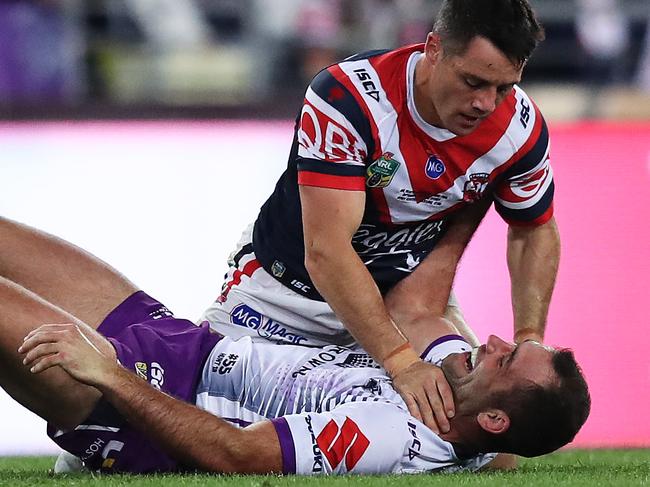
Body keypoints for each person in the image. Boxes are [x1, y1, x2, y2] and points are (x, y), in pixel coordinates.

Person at [201, 0, 559, 432]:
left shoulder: (519, 130)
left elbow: (533, 228)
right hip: (282, 298)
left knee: (487, 440)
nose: (486, 103)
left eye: (503, 87)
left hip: (405, 307)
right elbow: (327, 251)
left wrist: (528, 341)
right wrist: (399, 362)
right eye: (473, 81)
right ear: (433, 48)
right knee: (198, 427)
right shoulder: (349, 98)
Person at [1, 217, 589, 474]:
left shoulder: (389, 436)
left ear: (491, 414)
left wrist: (110, 376)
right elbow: (424, 307)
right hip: (182, 340)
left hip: (139, 398)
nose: (490, 343)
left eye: (506, 357)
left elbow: (238, 455)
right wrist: (470, 200)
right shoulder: (472, 416)